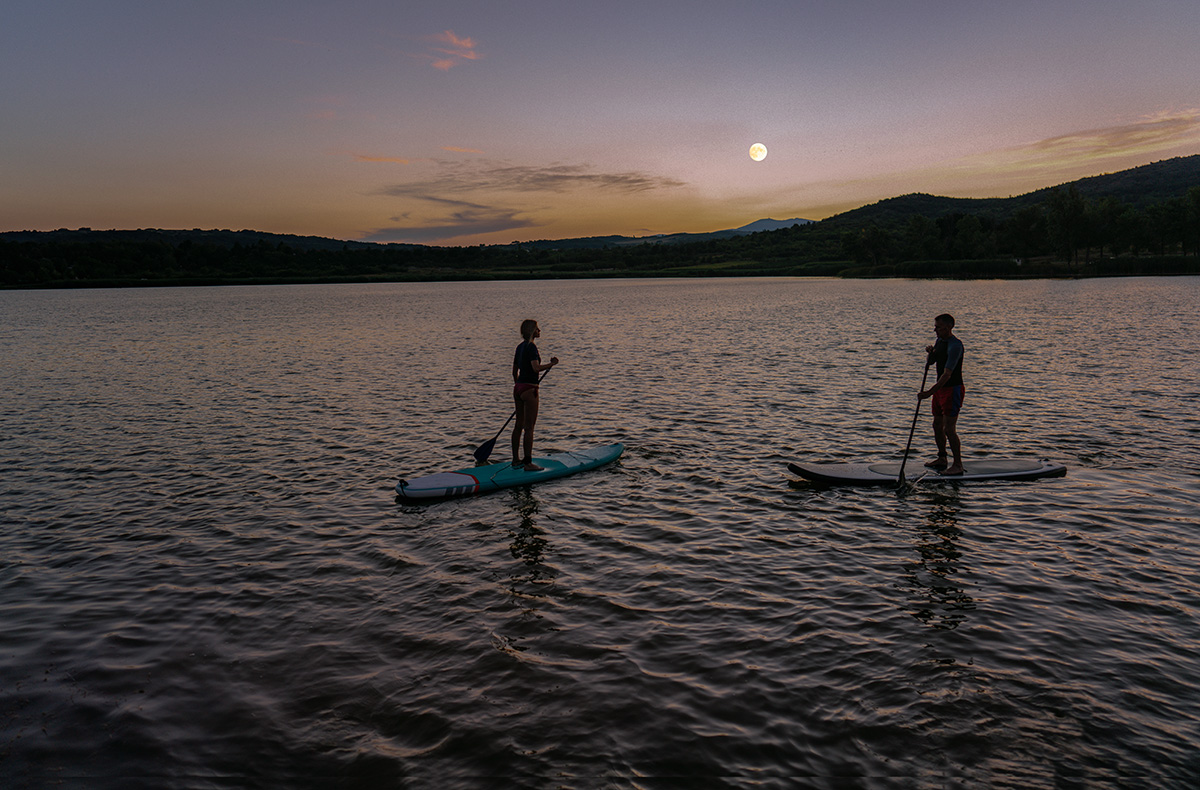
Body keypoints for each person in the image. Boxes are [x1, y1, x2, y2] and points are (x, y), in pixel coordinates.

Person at [918, 313, 965, 475]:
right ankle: (942, 458)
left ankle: (957, 465)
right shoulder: (940, 342)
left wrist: (929, 393)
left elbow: (947, 375)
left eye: (938, 327)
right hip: (940, 390)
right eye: (935, 326)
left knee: (949, 429)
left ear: (948, 327)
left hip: (952, 389)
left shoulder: (955, 345)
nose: (935, 330)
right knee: (937, 425)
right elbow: (931, 362)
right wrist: (931, 353)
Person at [511, 319, 558, 471]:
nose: (539, 331)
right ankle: (528, 463)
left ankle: (515, 460)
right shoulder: (531, 347)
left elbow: (514, 372)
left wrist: (519, 386)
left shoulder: (519, 347)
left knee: (518, 425)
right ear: (532, 331)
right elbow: (536, 368)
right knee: (529, 427)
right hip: (529, 389)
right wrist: (552, 364)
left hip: (518, 388)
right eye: (537, 329)